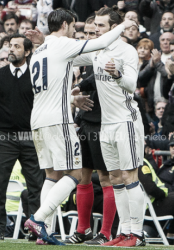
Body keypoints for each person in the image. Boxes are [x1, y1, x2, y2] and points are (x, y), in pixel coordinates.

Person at [23, 7, 139, 246]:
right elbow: (103, 40)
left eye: (100, 25)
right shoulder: (66, 45)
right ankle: (39, 219)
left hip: (38, 120)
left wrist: (74, 97)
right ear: (65, 25)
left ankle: (44, 231)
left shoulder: (40, 50)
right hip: (59, 119)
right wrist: (124, 24)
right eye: (77, 26)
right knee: (76, 174)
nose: (89, 31)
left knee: (52, 175)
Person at [70, 6, 145, 247]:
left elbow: (132, 84)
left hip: (126, 122)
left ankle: (138, 234)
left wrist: (117, 75)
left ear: (114, 28)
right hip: (107, 125)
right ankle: (123, 232)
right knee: (115, 178)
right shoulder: (97, 51)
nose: (95, 30)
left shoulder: (127, 51)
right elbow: (71, 55)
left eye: (101, 26)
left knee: (129, 176)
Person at [0, 34, 44, 241]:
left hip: (30, 136)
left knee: (35, 186)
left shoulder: (36, 75)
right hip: (4, 136)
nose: (11, 49)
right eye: (10, 46)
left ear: (28, 51)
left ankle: (35, 228)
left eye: (16, 46)